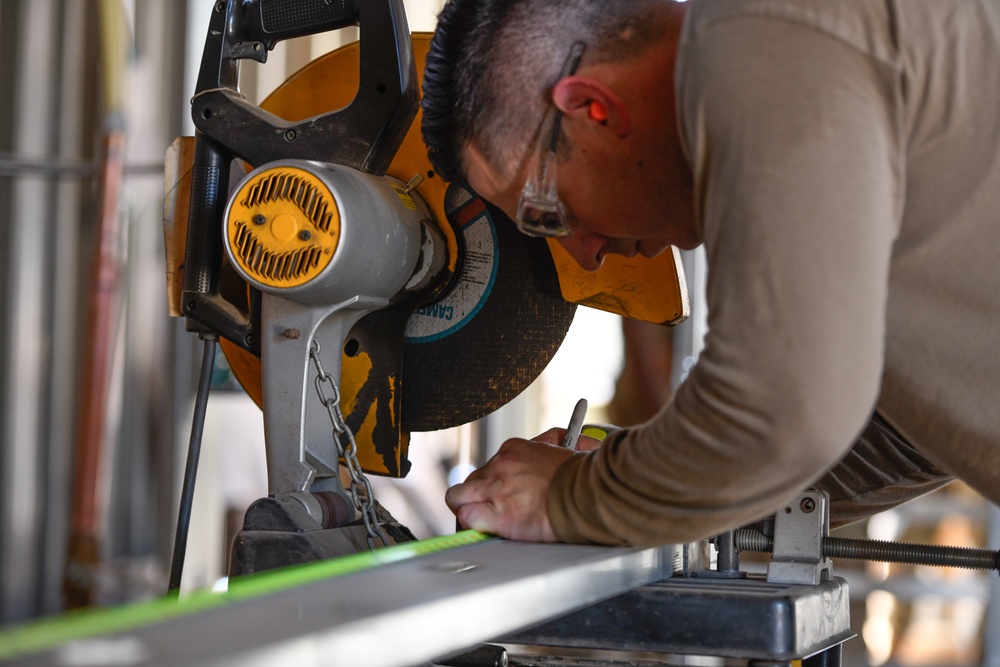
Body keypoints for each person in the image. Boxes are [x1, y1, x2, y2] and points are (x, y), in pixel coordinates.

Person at [420, 0, 1000, 546]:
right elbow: (888, 437)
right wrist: (622, 474)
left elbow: (786, 411)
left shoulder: (767, 33)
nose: (585, 255)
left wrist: (566, 500)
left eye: (548, 216)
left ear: (593, 109)